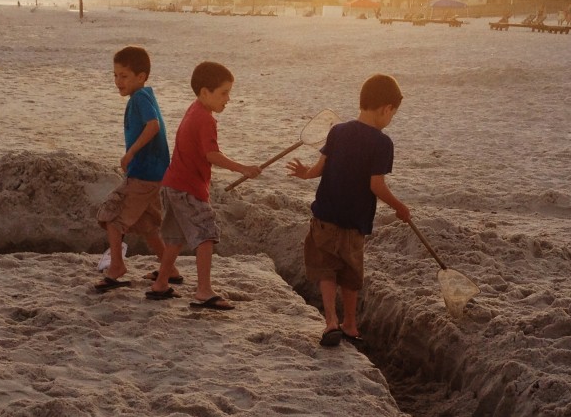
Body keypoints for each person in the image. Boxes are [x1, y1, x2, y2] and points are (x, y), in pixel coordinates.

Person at [286, 73, 410, 347]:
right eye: (393, 114)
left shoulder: (338, 131)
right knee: (351, 274)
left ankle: (331, 320)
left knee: (327, 269)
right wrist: (400, 207)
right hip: (355, 221)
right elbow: (376, 185)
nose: (390, 119)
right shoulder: (382, 143)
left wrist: (305, 175)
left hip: (326, 216)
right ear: (386, 109)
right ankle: (350, 324)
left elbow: (320, 168)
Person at [148, 61, 261, 310]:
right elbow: (212, 154)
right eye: (223, 93)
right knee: (206, 236)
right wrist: (243, 168)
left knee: (176, 238)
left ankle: (161, 284)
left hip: (172, 185)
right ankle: (203, 290)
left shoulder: (194, 110)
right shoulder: (205, 119)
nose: (228, 99)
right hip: (187, 188)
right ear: (204, 92)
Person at [94, 45, 178, 292]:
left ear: (141, 77)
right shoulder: (144, 96)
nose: (118, 81)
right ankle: (169, 268)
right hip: (155, 174)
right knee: (147, 224)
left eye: (124, 76)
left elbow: (152, 126)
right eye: (115, 75)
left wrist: (130, 153)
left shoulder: (140, 98)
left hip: (144, 173)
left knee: (112, 215)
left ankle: (117, 266)